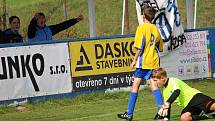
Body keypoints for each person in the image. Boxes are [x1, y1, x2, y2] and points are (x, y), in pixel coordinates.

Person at [117, 5, 164, 121]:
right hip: (154, 61)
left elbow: (139, 47)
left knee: (135, 86)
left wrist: (134, 60)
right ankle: (162, 112)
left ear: (144, 16)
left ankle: (129, 114)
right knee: (154, 85)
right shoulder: (155, 29)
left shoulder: (141, 28)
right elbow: (161, 47)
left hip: (144, 62)